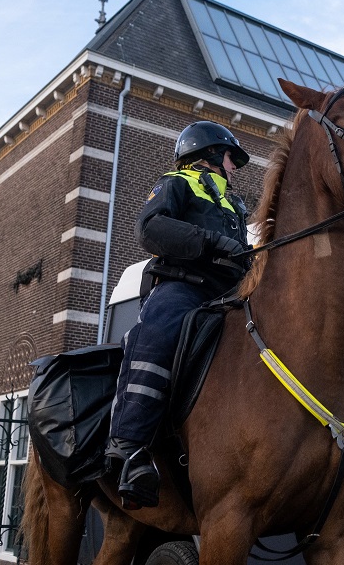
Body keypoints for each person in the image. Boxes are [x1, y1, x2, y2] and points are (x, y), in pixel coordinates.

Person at [106, 121, 250, 510]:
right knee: (155, 333)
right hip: (184, 285)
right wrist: (208, 242)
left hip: (229, 293)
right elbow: (149, 228)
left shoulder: (235, 204)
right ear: (208, 154)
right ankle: (129, 448)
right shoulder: (176, 182)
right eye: (230, 157)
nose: (234, 166)